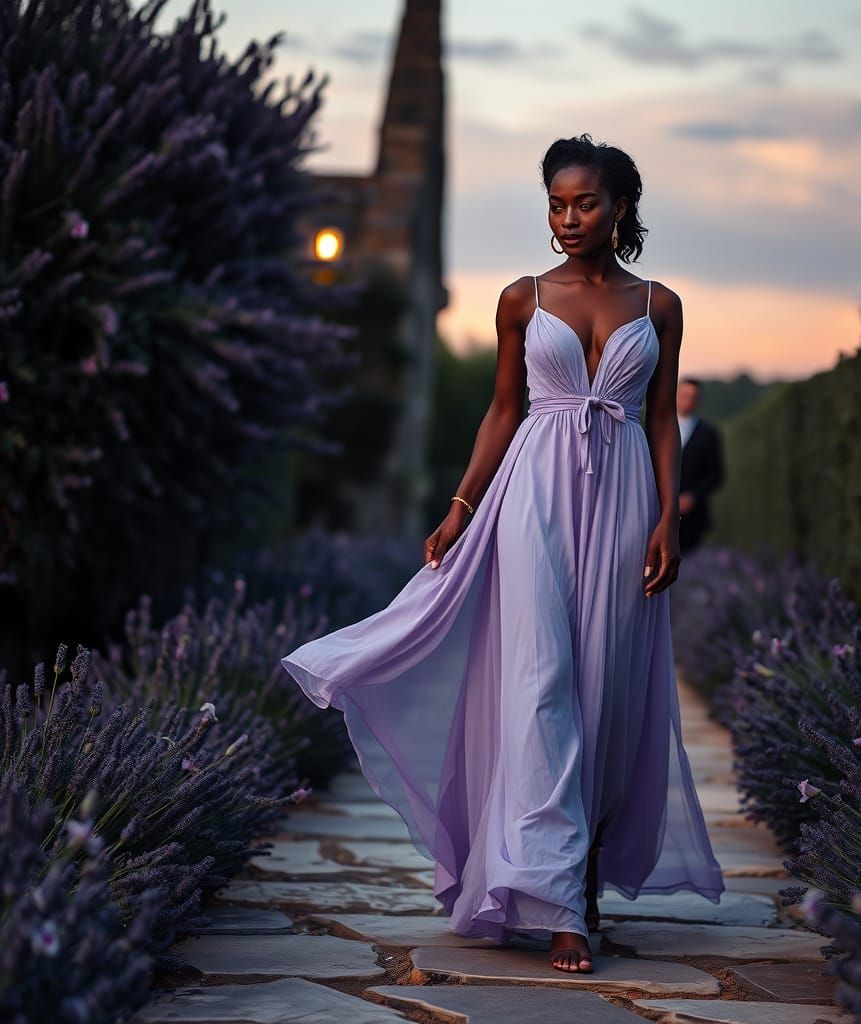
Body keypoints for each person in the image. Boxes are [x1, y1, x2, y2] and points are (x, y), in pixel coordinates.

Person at [280, 133, 724, 976]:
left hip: (625, 502)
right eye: (555, 203)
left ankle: (579, 877)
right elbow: (501, 412)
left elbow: (663, 420)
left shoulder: (660, 306)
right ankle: (556, 904)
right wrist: (460, 505)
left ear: (621, 206)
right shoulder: (522, 299)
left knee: (606, 693)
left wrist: (667, 519)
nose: (566, 218)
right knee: (542, 685)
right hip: (533, 500)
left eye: (584, 203)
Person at [675, 378, 725, 556]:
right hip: (658, 509)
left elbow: (716, 474)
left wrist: (693, 496)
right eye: (684, 395)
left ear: (699, 400)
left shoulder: (709, 433)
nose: (688, 400)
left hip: (693, 517)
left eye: (693, 397)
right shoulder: (657, 427)